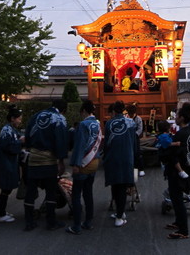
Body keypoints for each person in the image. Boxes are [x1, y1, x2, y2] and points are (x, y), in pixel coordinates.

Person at [23, 99, 69, 231]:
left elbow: (27, 135)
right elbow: (61, 141)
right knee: (50, 191)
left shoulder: (35, 116)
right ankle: (51, 221)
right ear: (64, 110)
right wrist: (61, 161)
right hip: (49, 160)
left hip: (33, 158)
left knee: (30, 191)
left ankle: (29, 221)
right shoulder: (59, 119)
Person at [66, 100, 102, 235]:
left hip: (83, 162)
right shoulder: (97, 124)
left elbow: (79, 145)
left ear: (84, 111)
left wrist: (75, 163)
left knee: (76, 195)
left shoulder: (83, 124)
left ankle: (76, 225)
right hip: (94, 161)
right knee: (88, 193)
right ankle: (88, 222)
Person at [164, 103, 190, 240]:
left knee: (177, 200)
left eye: (177, 116)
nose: (175, 117)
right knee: (175, 198)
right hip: (187, 169)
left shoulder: (181, 135)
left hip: (179, 172)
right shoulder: (188, 132)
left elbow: (173, 154)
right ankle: (178, 222)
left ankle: (183, 231)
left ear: (182, 118)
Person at [103, 100, 136, 228]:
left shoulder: (109, 123)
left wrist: (105, 156)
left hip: (112, 157)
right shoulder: (131, 122)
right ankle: (119, 215)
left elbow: (106, 143)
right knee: (122, 186)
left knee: (116, 185)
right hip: (126, 156)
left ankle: (119, 213)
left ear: (113, 111)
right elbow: (134, 142)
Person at [0, 105, 25, 222]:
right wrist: (19, 142)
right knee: (6, 188)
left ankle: (1, 211)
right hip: (5, 163)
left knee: (7, 189)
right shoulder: (6, 130)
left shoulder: (10, 129)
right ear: (12, 118)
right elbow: (7, 146)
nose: (20, 121)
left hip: (9, 162)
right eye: (19, 119)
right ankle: (1, 214)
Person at [126, 104, 145, 177]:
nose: (130, 114)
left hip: (135, 136)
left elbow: (140, 129)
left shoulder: (138, 118)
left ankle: (141, 169)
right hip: (127, 137)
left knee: (137, 152)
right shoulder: (125, 117)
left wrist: (135, 134)